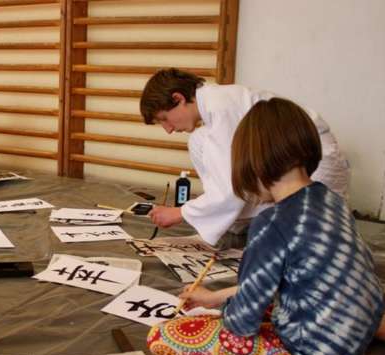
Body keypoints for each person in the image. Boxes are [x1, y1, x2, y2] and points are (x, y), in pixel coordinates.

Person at [146, 98, 385, 355]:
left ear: (251, 162)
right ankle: (377, 327)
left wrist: (219, 316)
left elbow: (242, 323)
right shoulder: (328, 198)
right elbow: (293, 280)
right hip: (355, 327)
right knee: (278, 294)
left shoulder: (271, 224)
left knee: (164, 336)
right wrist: (212, 298)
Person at [140, 68, 350, 247]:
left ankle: (235, 215)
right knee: (198, 139)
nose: (167, 130)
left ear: (178, 98)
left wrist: (180, 213)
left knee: (304, 246)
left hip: (313, 164)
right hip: (281, 162)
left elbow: (229, 188)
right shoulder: (213, 105)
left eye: (164, 119)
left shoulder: (221, 107)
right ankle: (231, 216)